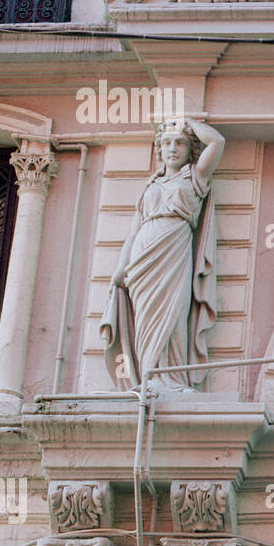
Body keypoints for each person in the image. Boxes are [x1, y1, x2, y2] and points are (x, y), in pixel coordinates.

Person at [102, 118, 224, 392]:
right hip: (143, 254)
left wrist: (189, 120)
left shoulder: (195, 177)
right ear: (159, 149)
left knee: (174, 312)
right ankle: (148, 376)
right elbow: (133, 232)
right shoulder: (151, 185)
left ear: (190, 148)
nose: (172, 148)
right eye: (167, 143)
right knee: (144, 316)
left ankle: (169, 377)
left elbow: (217, 141)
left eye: (179, 143)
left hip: (174, 248)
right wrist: (121, 269)